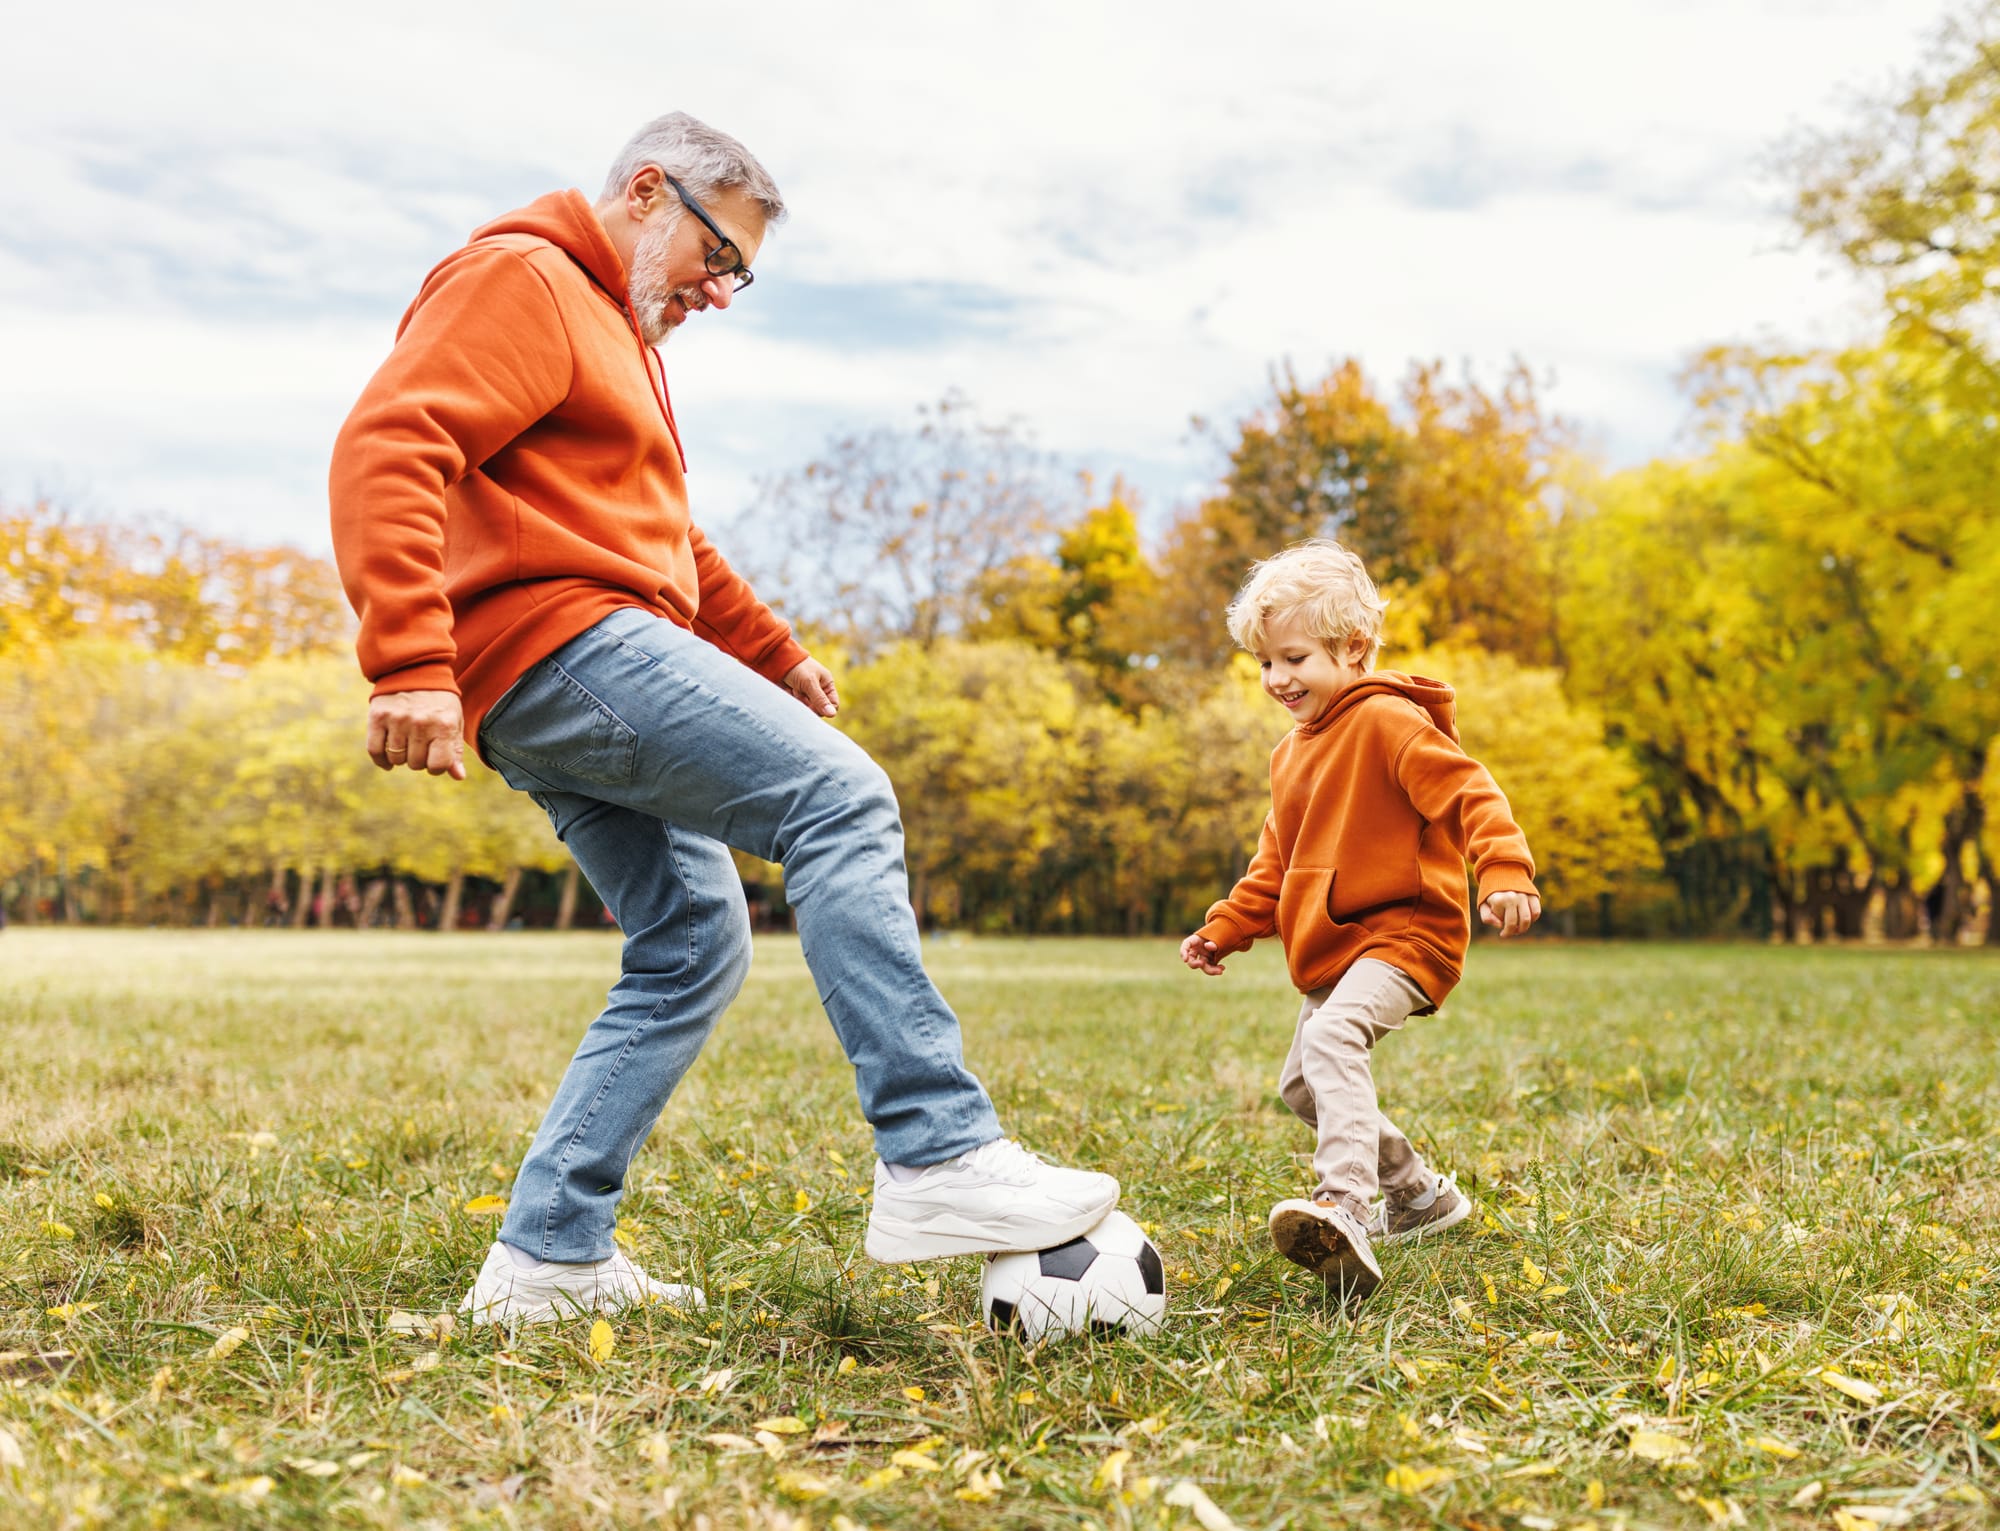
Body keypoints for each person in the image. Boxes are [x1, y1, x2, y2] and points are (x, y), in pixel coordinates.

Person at [329, 112, 1117, 1325]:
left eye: (741, 273)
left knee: (693, 940)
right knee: (841, 796)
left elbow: (663, 537)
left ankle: (547, 1257)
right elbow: (391, 442)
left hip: (568, 653)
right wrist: (407, 661)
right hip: (559, 642)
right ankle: (936, 1153)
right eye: (721, 257)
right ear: (647, 192)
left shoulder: (615, 337)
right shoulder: (526, 277)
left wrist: (770, 652)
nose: (723, 290)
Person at [1178, 541, 1540, 1298]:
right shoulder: (1290, 756)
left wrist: (1503, 867)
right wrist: (1225, 927)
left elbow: (1472, 792)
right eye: (1265, 663)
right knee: (1304, 1084)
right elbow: (1273, 865)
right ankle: (1419, 1194)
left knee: (1334, 1038)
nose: (1278, 679)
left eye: (1295, 658)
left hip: (1406, 933)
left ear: (1353, 647)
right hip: (1335, 949)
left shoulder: (1387, 721)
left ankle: (1346, 1201)